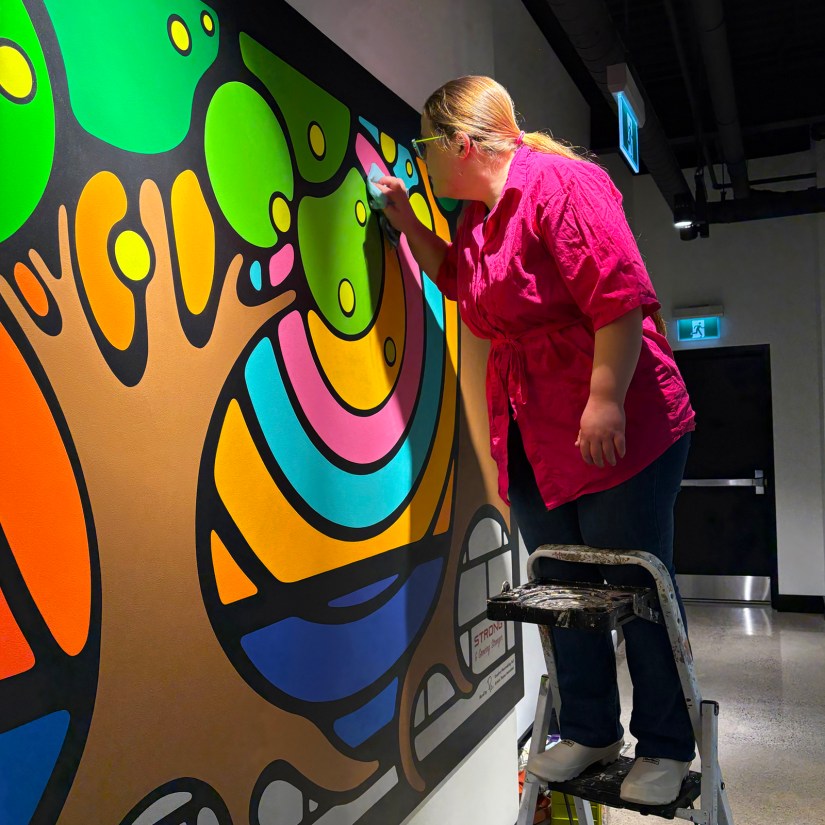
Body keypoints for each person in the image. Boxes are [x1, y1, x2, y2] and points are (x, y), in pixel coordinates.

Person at [374, 75, 696, 807]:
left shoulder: (560, 183)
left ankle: (668, 742)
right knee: (562, 592)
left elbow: (618, 295)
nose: (423, 162)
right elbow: (460, 281)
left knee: (634, 585)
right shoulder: (478, 218)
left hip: (617, 421)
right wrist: (403, 219)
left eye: (426, 147)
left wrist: (604, 398)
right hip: (537, 433)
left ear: (458, 142)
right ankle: (587, 728)